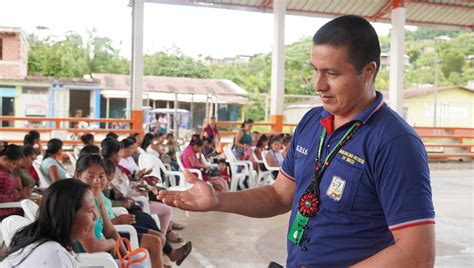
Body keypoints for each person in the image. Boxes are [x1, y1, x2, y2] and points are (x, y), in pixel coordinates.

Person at [158, 15, 435, 267]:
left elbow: (417, 254)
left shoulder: (395, 143)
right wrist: (219, 200)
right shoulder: (312, 122)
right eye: (315, 70)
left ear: (368, 71)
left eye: (332, 73)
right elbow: (280, 195)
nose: (318, 84)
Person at [74, 154, 168, 268]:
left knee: (137, 260)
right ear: (77, 175)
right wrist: (112, 243)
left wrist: (126, 256)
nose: (97, 181)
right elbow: (91, 247)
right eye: (91, 176)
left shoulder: (97, 196)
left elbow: (110, 231)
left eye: (101, 176)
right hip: (91, 261)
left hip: (104, 253)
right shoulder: (77, 202)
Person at [1, 179, 98, 268]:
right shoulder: (53, 254)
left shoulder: (38, 237)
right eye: (90, 211)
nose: (96, 216)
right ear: (67, 215)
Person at [0, 144, 29, 221]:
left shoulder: (6, 171)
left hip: (12, 207)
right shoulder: (1, 174)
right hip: (5, 213)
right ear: (4, 158)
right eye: (14, 163)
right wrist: (18, 195)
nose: (14, 167)